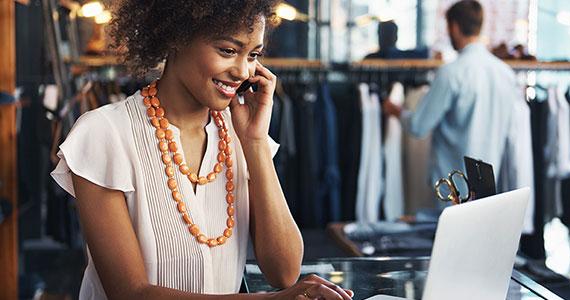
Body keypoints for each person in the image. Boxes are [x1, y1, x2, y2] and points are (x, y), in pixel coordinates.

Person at [50, 1, 353, 299]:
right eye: (228, 51)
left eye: (253, 55)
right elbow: (130, 292)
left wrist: (256, 143)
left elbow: (284, 272)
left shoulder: (240, 134)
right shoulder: (103, 134)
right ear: (176, 37)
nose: (243, 72)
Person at [384, 0, 517, 195]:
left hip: (454, 189)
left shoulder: (451, 73)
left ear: (454, 27)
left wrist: (394, 110)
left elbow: (418, 126)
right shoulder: (506, 74)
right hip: (490, 186)